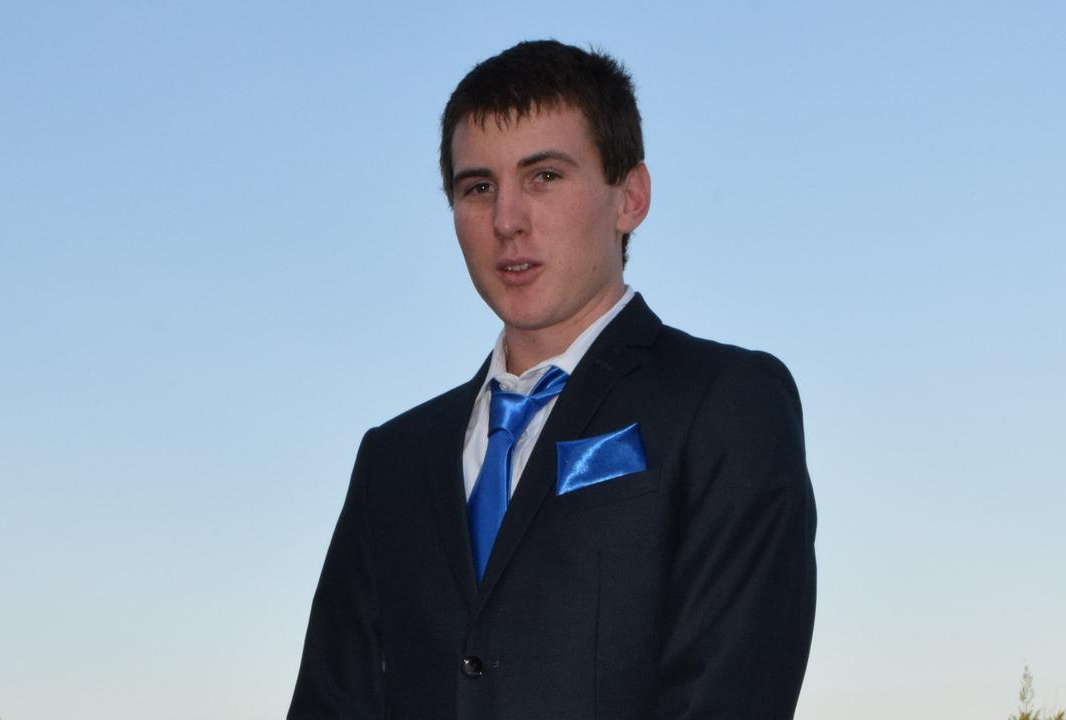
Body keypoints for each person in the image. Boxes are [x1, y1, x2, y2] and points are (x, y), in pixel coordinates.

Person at [288, 39, 816, 720]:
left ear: (629, 198)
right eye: (477, 187)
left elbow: (728, 693)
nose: (507, 219)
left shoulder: (726, 403)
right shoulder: (393, 459)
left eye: (544, 176)